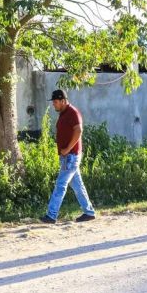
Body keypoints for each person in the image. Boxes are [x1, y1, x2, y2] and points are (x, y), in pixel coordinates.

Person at [40, 89, 96, 223]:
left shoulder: (73, 113)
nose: (53, 104)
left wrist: (67, 149)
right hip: (68, 156)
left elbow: (79, 131)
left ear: (63, 101)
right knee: (78, 185)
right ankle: (89, 212)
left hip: (71, 156)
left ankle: (51, 215)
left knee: (61, 184)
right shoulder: (64, 113)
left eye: (55, 102)